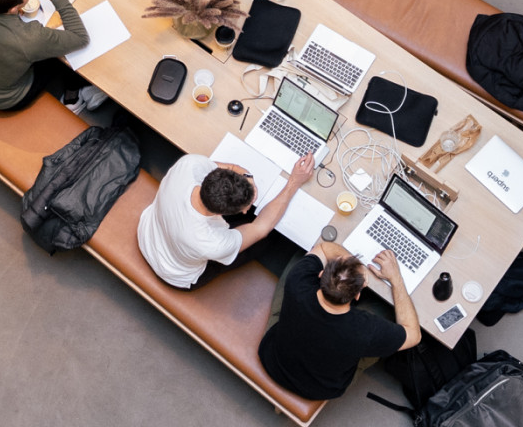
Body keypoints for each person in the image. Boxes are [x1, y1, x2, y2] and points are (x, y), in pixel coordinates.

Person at [257, 246, 420, 402]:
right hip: (317, 389)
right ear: (357, 295)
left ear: (321, 274)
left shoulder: (299, 281)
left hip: (273, 359)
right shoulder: (365, 330)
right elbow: (414, 335)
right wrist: (395, 278)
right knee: (386, 308)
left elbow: (322, 248)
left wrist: (350, 264)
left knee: (300, 256)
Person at [137, 152, 314, 288]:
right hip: (174, 273)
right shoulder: (212, 243)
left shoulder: (189, 164)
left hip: (149, 231)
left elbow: (230, 167)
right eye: (245, 208)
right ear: (228, 213)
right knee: (269, 236)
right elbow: (261, 228)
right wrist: (294, 182)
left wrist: (248, 178)